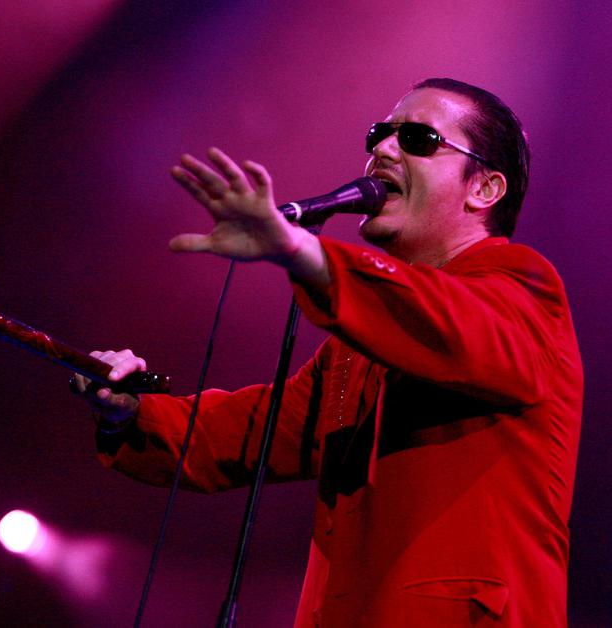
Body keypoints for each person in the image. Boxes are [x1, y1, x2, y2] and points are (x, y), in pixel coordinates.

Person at [72, 78, 582, 627]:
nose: (383, 149)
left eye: (418, 139)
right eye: (379, 134)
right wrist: (131, 414)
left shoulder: (523, 287)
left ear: (484, 188)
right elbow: (254, 428)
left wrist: (301, 250)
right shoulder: (359, 345)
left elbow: (450, 326)